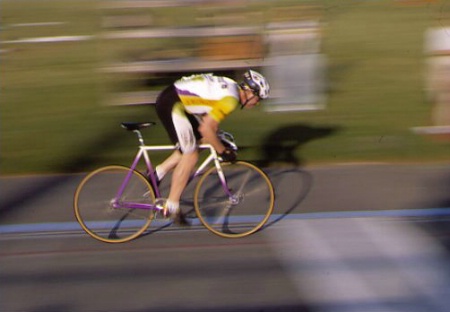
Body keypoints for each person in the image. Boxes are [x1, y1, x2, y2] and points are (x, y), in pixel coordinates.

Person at [153, 69, 270, 222]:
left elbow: (209, 118)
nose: (258, 102)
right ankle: (172, 206)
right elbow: (206, 127)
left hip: (176, 100)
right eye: (258, 98)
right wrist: (223, 151)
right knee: (191, 155)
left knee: (199, 141)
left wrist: (218, 139)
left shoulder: (231, 87)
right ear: (250, 92)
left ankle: (157, 174)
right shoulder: (230, 100)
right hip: (174, 105)